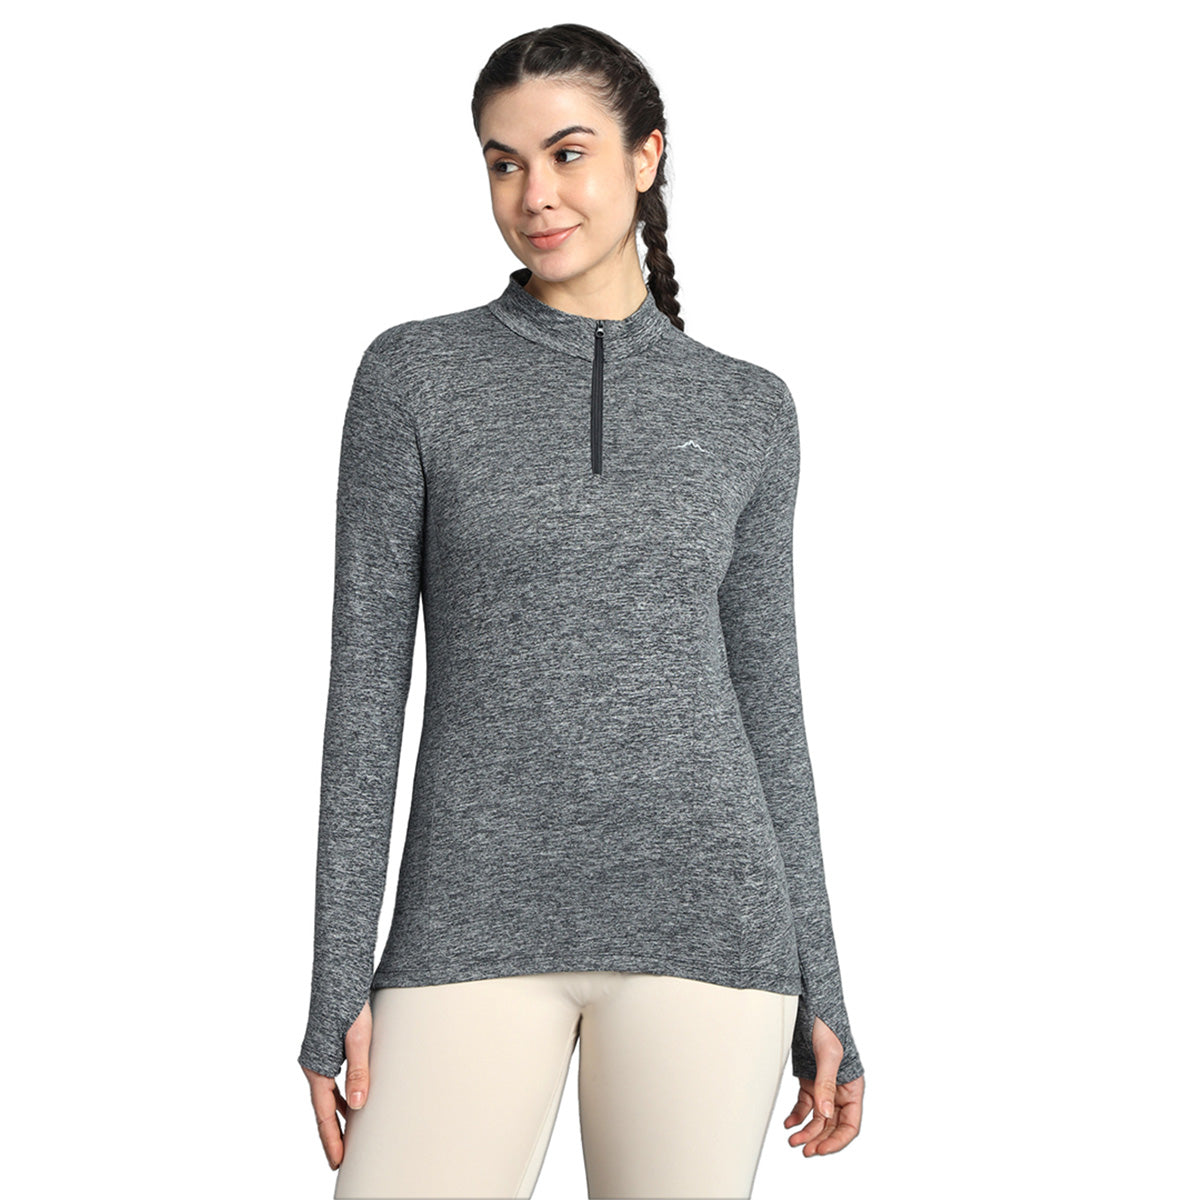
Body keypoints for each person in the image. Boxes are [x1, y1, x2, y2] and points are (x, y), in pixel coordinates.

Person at [298, 23, 866, 1199]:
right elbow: (365, 697)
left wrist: (829, 990)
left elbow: (772, 711)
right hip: (466, 920)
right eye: (503, 163)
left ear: (646, 156)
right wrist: (336, 975)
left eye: (567, 154)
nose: (534, 195)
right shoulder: (414, 377)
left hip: (712, 933)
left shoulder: (748, 410)